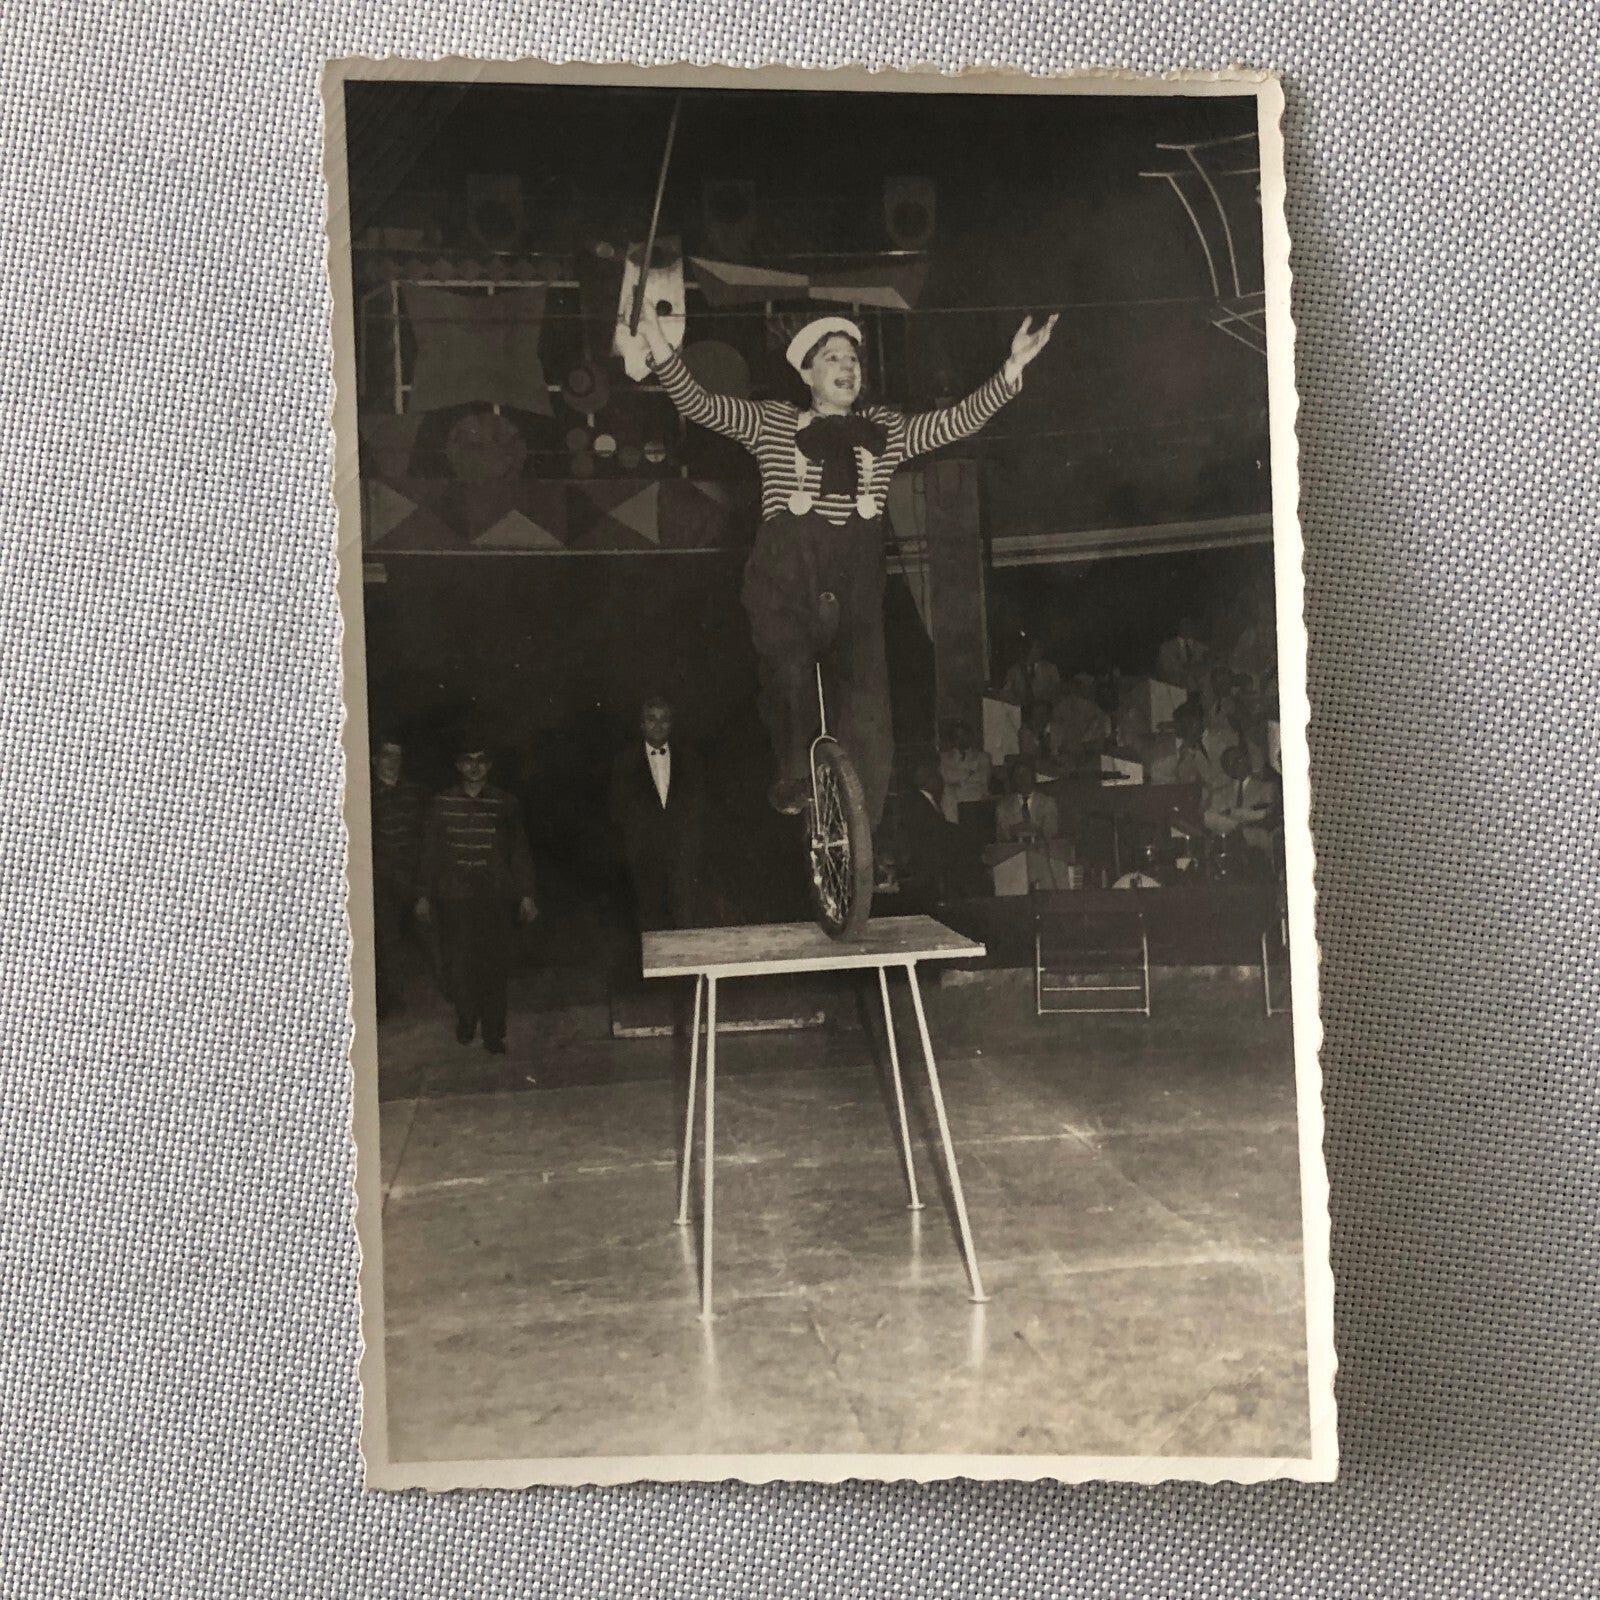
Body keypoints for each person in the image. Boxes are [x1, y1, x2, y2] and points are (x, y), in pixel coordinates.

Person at [634, 300, 1056, 829]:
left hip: (855, 577)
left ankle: (859, 827)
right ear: (807, 373)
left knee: (869, 708)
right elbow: (698, 403)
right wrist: (656, 341)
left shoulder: (885, 430)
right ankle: (794, 773)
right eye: (832, 358)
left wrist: (1012, 368)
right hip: (786, 574)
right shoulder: (773, 422)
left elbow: (954, 422)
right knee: (789, 674)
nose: (847, 367)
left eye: (853, 359)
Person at [415, 733, 538, 1054]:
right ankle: (467, 1018)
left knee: (494, 966)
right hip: (454, 898)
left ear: (489, 765)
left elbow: (519, 852)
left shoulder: (506, 804)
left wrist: (526, 894)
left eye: (481, 761)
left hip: (495, 897)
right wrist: (423, 895)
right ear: (458, 765)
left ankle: (494, 1033)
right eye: (468, 761)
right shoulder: (441, 804)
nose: (474, 767)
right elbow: (430, 852)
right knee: (458, 966)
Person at [607, 695, 704, 933]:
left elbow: (698, 807)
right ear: (642, 724)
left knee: (686, 918)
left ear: (671, 724)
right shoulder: (625, 763)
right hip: (643, 858)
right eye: (651, 719)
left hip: (682, 857)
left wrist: (689, 844)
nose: (658, 725)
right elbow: (617, 811)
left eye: (664, 719)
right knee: (649, 922)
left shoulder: (690, 759)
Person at [369, 734, 429, 1019]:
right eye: (387, 755)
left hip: (413, 874)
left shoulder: (415, 792)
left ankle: (451, 991)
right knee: (387, 940)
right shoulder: (365, 792)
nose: (392, 761)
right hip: (381, 877)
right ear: (375, 760)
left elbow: (425, 834)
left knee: (429, 933)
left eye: (397, 756)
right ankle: (390, 999)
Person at [895, 754, 970, 909]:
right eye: (934, 775)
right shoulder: (916, 802)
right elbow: (935, 831)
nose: (939, 779)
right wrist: (963, 833)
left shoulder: (928, 801)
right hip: (926, 869)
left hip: (932, 867)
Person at [937, 720, 993, 824]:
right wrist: (970, 772)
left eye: (964, 735)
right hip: (953, 803)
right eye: (957, 736)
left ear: (970, 736)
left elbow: (984, 778)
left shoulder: (983, 757)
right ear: (952, 739)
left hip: (977, 800)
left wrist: (957, 780)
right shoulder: (943, 758)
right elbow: (946, 777)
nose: (961, 740)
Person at [995, 760, 1060, 843]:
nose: (1022, 778)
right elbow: (1001, 837)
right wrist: (1012, 831)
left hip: (1041, 848)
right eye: (1017, 775)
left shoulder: (1047, 803)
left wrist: (1036, 830)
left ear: (1034, 777)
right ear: (1012, 780)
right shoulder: (1004, 806)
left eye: (1026, 774)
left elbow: (1052, 833)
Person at [1156, 616, 1211, 691]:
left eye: (1189, 623)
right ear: (1177, 626)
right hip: (1174, 689)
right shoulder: (1166, 648)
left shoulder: (1203, 648)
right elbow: (1165, 670)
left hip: (1198, 691)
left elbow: (1207, 669)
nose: (1187, 626)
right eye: (1184, 623)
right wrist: (1187, 669)